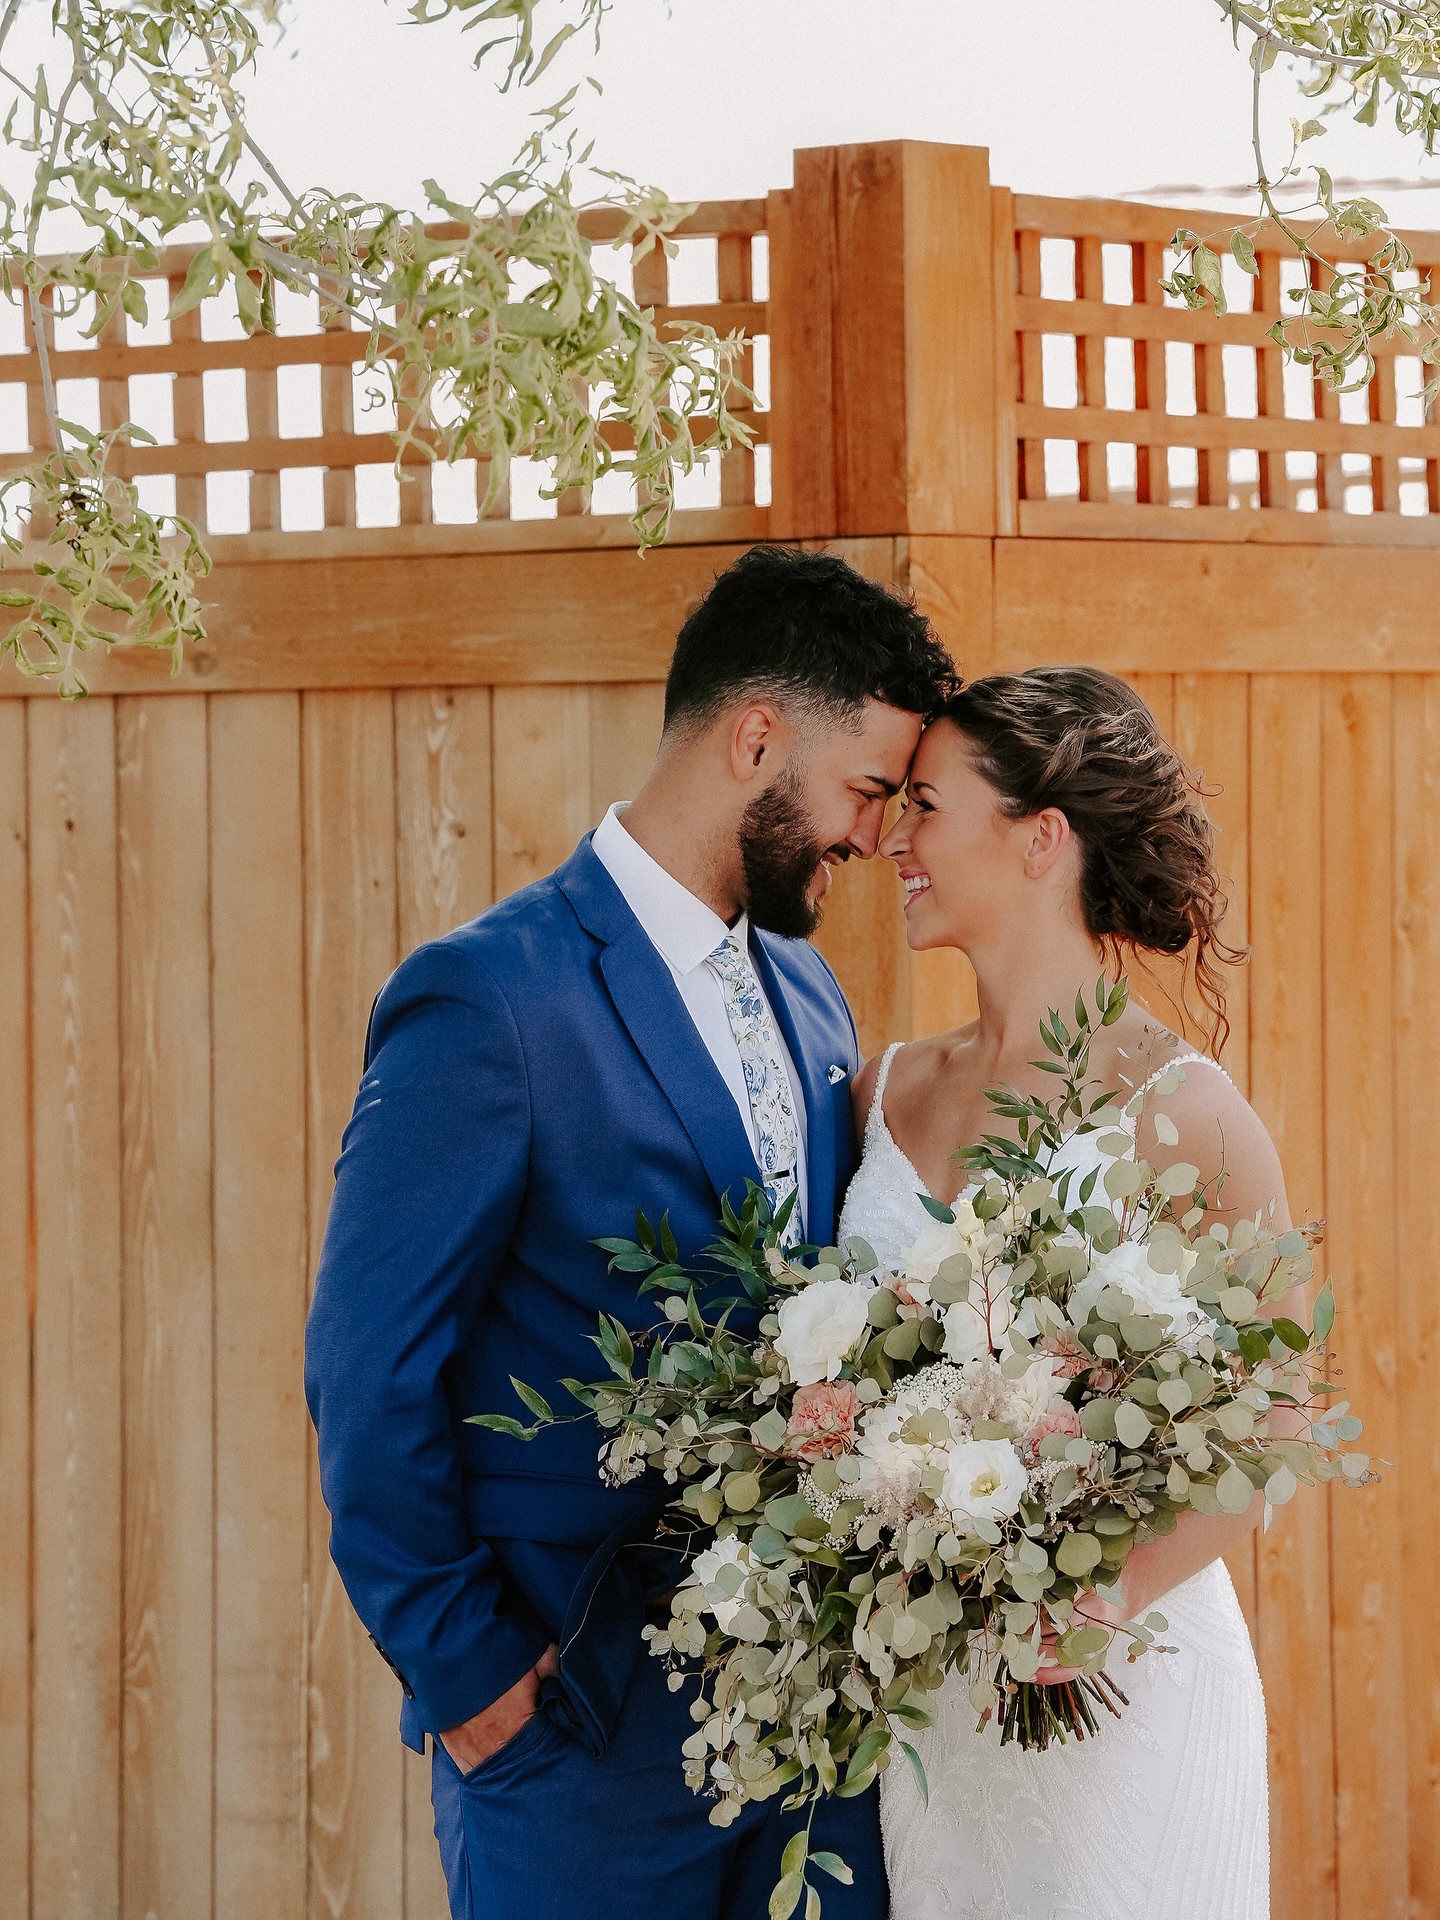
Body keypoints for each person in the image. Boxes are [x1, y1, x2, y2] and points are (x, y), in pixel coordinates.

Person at [303, 544, 957, 1920]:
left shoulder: (811, 988)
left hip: (809, 1734)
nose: (869, 836)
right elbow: (370, 1372)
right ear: (756, 737)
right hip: (574, 1728)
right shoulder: (488, 1001)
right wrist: (469, 1675)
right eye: (864, 792)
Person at [839, 665, 1279, 1920]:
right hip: (935, 1707)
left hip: (1118, 1683)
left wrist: (1095, 1598)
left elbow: (1277, 1424)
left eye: (927, 806)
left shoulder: (1192, 1115)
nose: (895, 840)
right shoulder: (874, 1094)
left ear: (1041, 839)